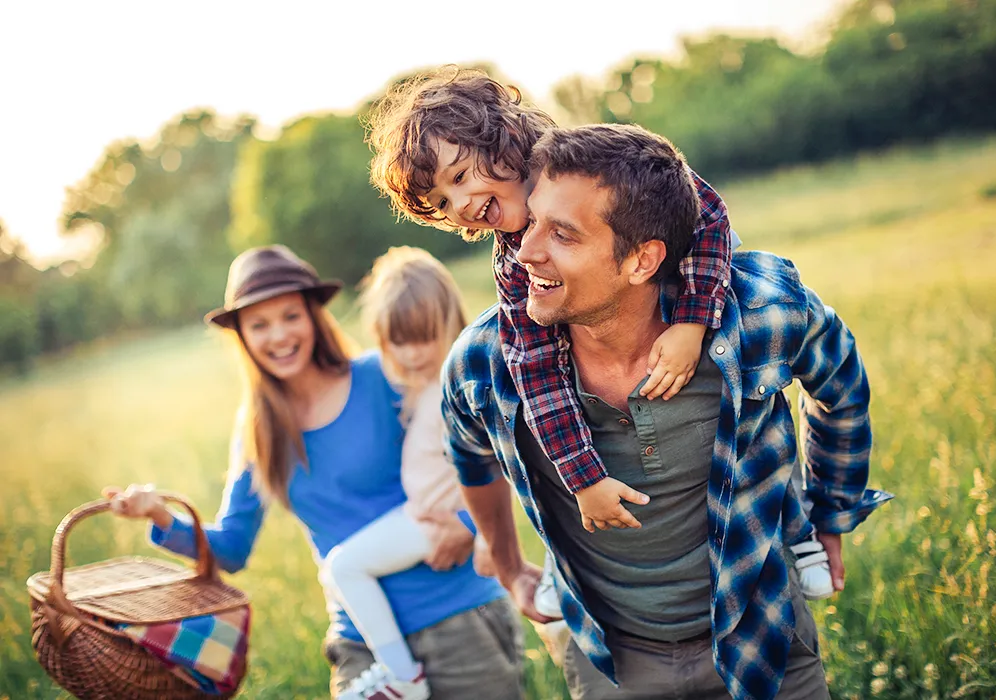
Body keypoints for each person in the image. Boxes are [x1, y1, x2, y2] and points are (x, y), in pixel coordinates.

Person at [439, 124, 894, 699]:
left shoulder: (759, 315)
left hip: (762, 637)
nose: (523, 250)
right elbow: (468, 453)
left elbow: (841, 386)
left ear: (642, 260)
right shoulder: (485, 362)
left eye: (562, 234)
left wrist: (831, 510)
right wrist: (506, 564)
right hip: (610, 662)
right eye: (531, 222)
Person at [365, 67, 834, 601]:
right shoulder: (513, 265)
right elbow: (536, 373)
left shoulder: (600, 163)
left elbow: (709, 214)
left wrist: (692, 323)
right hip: (613, 359)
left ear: (502, 137)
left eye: (459, 177)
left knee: (747, 410)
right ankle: (573, 575)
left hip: (691, 292)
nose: (462, 205)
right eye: (444, 203)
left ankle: (796, 532)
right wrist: (583, 478)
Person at [102, 245, 523, 700]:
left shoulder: (384, 375)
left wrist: (467, 526)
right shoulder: (258, 433)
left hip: (457, 618)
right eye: (259, 324)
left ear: (314, 317)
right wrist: (162, 518)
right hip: (361, 644)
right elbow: (231, 549)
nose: (278, 335)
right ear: (241, 336)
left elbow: (472, 453)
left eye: (290, 316)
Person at [319, 245, 546, 698]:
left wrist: (484, 535)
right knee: (343, 568)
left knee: (343, 567)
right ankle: (403, 674)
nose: (412, 352)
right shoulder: (417, 381)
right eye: (397, 340)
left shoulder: (457, 382)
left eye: (423, 337)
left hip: (436, 518)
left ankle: (404, 678)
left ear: (448, 322)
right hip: (422, 513)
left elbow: (498, 459)